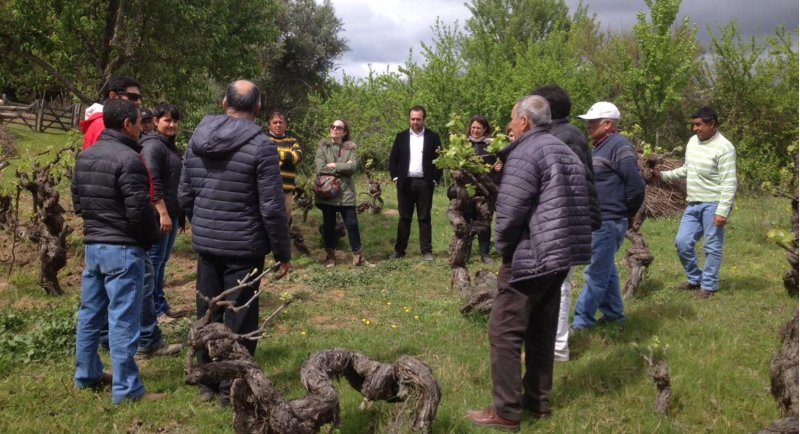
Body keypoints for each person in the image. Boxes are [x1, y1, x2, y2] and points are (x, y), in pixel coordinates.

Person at [467, 95, 592, 431]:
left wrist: (504, 250)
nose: (508, 126)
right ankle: (538, 401)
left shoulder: (524, 152)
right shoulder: (565, 150)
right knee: (542, 330)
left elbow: (510, 213)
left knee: (504, 331)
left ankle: (506, 411)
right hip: (560, 256)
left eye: (511, 119)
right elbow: (585, 205)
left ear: (524, 121)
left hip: (530, 254)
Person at [178, 80, 291, 406]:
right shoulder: (261, 146)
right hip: (244, 247)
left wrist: (201, 224)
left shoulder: (197, 139)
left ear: (224, 101)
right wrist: (283, 253)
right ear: (258, 109)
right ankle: (231, 389)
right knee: (240, 318)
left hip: (207, 244)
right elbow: (271, 207)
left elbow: (185, 193)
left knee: (207, 313)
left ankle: (206, 383)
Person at [71, 99, 163, 404]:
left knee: (90, 315)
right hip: (123, 249)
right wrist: (150, 237)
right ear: (126, 124)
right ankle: (127, 390)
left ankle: (87, 375)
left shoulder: (86, 156)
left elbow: (78, 202)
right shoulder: (130, 160)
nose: (142, 127)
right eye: (139, 122)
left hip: (93, 247)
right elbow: (139, 211)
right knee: (123, 320)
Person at [532, 85, 602, 362]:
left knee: (560, 284)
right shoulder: (557, 134)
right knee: (550, 284)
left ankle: (557, 349)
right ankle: (547, 342)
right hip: (559, 221)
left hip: (565, 222)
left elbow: (575, 184)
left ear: (545, 109)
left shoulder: (566, 136)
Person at [572, 102, 645, 331]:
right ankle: (614, 315)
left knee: (594, 272)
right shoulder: (599, 146)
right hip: (599, 218)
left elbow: (636, 185)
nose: (588, 126)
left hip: (608, 219)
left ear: (608, 124)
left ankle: (582, 322)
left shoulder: (620, 146)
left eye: (593, 122)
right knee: (606, 269)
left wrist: (626, 213)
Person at [653, 107, 736, 299]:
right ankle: (695, 279)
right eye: (694, 125)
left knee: (712, 246)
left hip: (714, 203)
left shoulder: (724, 147)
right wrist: (663, 176)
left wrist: (722, 211)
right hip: (693, 204)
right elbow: (687, 169)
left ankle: (709, 286)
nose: (695, 129)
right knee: (682, 243)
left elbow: (729, 182)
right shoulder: (693, 142)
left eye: (699, 125)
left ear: (712, 124)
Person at [140, 103, 187, 321]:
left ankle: (160, 303)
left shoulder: (168, 146)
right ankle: (154, 310)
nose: (172, 124)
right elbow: (153, 180)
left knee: (161, 261)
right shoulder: (152, 146)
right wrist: (163, 212)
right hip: (160, 214)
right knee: (154, 262)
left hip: (172, 213)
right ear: (156, 121)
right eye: (167, 120)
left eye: (175, 121)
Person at [315, 119, 372, 267]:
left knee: (352, 224)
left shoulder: (350, 149)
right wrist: (343, 167)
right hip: (327, 192)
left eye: (338, 127)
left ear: (344, 132)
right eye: (332, 126)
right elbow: (320, 168)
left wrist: (334, 165)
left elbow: (352, 168)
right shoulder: (323, 147)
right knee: (328, 225)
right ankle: (330, 257)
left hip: (346, 192)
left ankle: (359, 258)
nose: (334, 129)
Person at [389, 106, 442, 261]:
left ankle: (426, 251)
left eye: (418, 119)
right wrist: (396, 178)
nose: (415, 122)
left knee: (424, 217)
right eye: (413, 119)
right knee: (404, 217)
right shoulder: (401, 137)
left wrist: (434, 180)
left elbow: (439, 161)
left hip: (425, 183)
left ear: (424, 119)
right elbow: (393, 160)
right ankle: (399, 251)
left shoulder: (433, 137)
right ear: (409, 119)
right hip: (405, 182)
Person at [466, 115, 501, 264]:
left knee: (485, 221)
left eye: (478, 128)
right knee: (467, 220)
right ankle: (465, 252)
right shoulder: (464, 144)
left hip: (486, 189)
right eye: (473, 127)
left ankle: (484, 253)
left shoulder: (491, 145)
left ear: (485, 129)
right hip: (468, 189)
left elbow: (500, 162)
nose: (475, 130)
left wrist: (499, 165)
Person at [80, 76, 143, 150]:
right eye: (133, 97)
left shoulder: (103, 122)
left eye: (139, 98)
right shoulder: (104, 124)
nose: (139, 102)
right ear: (113, 96)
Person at [266, 111, 302, 220]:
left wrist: (276, 153)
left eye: (281, 122)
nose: (278, 125)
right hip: (268, 188)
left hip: (287, 189)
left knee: (285, 219)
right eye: (275, 122)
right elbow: (264, 159)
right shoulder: (263, 139)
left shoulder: (292, 141)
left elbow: (297, 157)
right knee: (268, 219)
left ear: (285, 125)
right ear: (269, 125)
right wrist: (286, 157)